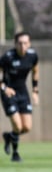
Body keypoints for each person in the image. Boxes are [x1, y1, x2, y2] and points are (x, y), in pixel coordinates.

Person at [0, 31, 39, 162]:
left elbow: (35, 71)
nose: (23, 46)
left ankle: (9, 136)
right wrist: (4, 88)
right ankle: (15, 154)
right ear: (15, 44)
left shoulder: (32, 56)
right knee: (17, 126)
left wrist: (35, 91)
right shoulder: (7, 58)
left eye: (25, 43)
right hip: (8, 92)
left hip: (23, 92)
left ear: (29, 43)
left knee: (26, 127)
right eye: (20, 43)